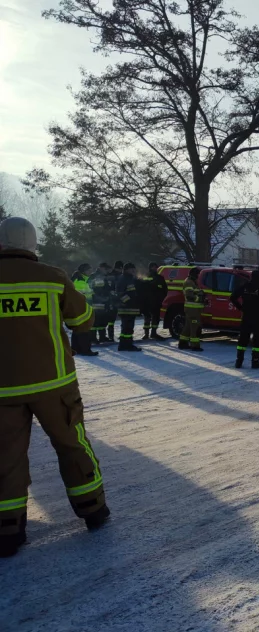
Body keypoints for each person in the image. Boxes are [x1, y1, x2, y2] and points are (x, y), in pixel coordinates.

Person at [0, 217, 110, 558]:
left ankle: (8, 529)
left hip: (3, 389)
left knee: (5, 456)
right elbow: (83, 320)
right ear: (33, 244)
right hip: (54, 384)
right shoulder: (52, 277)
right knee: (71, 444)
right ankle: (92, 509)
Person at [230, 269, 259, 369]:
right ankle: (255, 362)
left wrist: (241, 308)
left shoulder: (245, 286)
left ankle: (239, 361)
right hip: (258, 318)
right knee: (257, 340)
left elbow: (233, 297)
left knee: (243, 339)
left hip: (246, 316)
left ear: (251, 276)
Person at [70, 264, 98, 357]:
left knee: (78, 328)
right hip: (81, 307)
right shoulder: (79, 281)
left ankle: (76, 348)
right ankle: (85, 350)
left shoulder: (83, 279)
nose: (91, 272)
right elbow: (80, 296)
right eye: (89, 270)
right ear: (83, 271)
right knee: (85, 328)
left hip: (81, 307)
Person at [115, 262, 142, 352]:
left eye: (134, 269)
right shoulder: (123, 279)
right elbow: (120, 294)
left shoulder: (131, 278)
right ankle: (128, 345)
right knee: (128, 328)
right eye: (132, 269)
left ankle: (122, 345)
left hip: (130, 308)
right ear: (126, 270)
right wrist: (128, 302)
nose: (134, 270)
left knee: (126, 328)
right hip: (127, 308)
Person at [139, 262, 168, 340]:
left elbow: (165, 289)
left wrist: (162, 298)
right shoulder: (146, 276)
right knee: (147, 317)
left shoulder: (160, 278)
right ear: (150, 268)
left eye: (156, 267)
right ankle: (146, 334)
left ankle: (154, 333)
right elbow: (141, 288)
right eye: (154, 267)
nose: (155, 268)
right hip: (147, 302)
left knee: (156, 317)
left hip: (156, 301)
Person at [89, 262, 115, 344]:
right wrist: (105, 295)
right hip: (97, 302)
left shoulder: (104, 276)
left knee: (103, 320)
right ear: (100, 268)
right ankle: (93, 338)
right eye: (105, 268)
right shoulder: (96, 276)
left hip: (103, 302)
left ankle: (102, 337)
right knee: (96, 321)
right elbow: (97, 290)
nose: (107, 270)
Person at [180, 267, 205, 352]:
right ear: (194, 274)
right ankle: (195, 346)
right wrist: (200, 298)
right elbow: (189, 296)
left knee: (187, 327)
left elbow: (194, 293)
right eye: (198, 274)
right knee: (195, 328)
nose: (199, 276)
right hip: (192, 309)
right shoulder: (189, 282)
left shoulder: (192, 282)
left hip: (193, 309)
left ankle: (182, 343)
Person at [105, 260, 123, 341]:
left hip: (115, 300)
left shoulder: (109, 275)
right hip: (115, 300)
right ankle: (112, 335)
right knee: (113, 319)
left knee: (112, 320)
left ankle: (111, 336)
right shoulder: (119, 276)